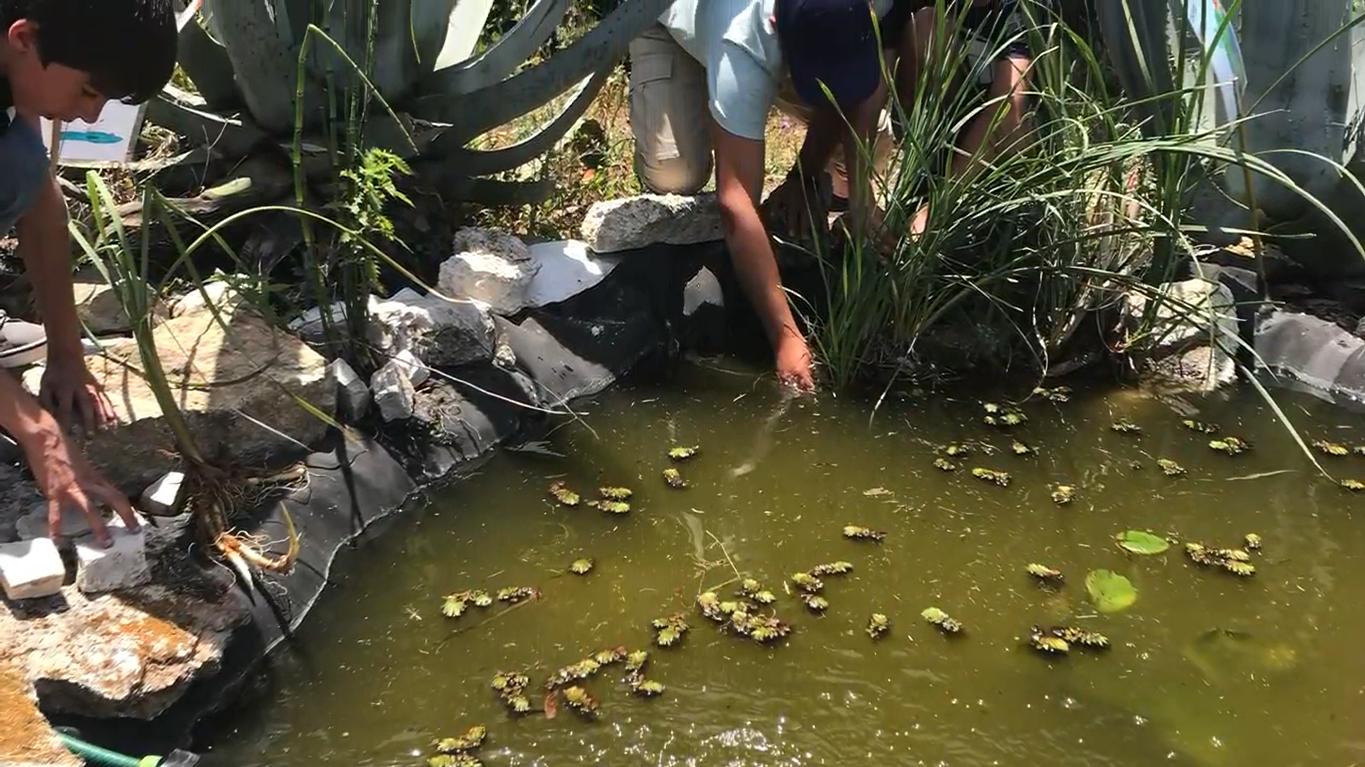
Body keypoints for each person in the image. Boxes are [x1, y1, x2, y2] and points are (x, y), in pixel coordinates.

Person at [628, 0, 897, 392]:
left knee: (873, 139)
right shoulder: (744, 40)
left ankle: (736, 113)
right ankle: (707, 105)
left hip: (775, 49)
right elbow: (735, 203)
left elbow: (845, 98)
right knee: (676, 172)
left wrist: (806, 176)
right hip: (669, 25)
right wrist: (786, 336)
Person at [0, 0, 178, 546]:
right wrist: (39, 432)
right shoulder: (28, 45)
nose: (92, 117)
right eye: (88, 92)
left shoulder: (21, 56)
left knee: (19, 161)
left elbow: (41, 203)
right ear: (25, 38)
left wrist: (67, 351)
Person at [891, 0, 1037, 236]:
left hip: (1007, 133)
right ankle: (932, 162)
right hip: (958, 117)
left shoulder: (1022, 8)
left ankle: (986, 195)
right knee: (925, 27)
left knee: (1014, 130)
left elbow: (1006, 113)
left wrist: (940, 207)